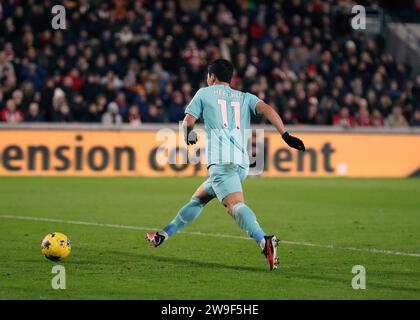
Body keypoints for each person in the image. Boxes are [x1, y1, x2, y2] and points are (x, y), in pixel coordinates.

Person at [146, 59, 305, 271]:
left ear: (211, 77)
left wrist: (188, 135)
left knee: (235, 206)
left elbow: (187, 123)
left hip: (221, 162)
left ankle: (263, 241)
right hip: (241, 164)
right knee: (198, 199)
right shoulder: (244, 97)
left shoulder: (204, 93)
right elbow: (267, 109)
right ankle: (164, 234)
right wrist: (286, 135)